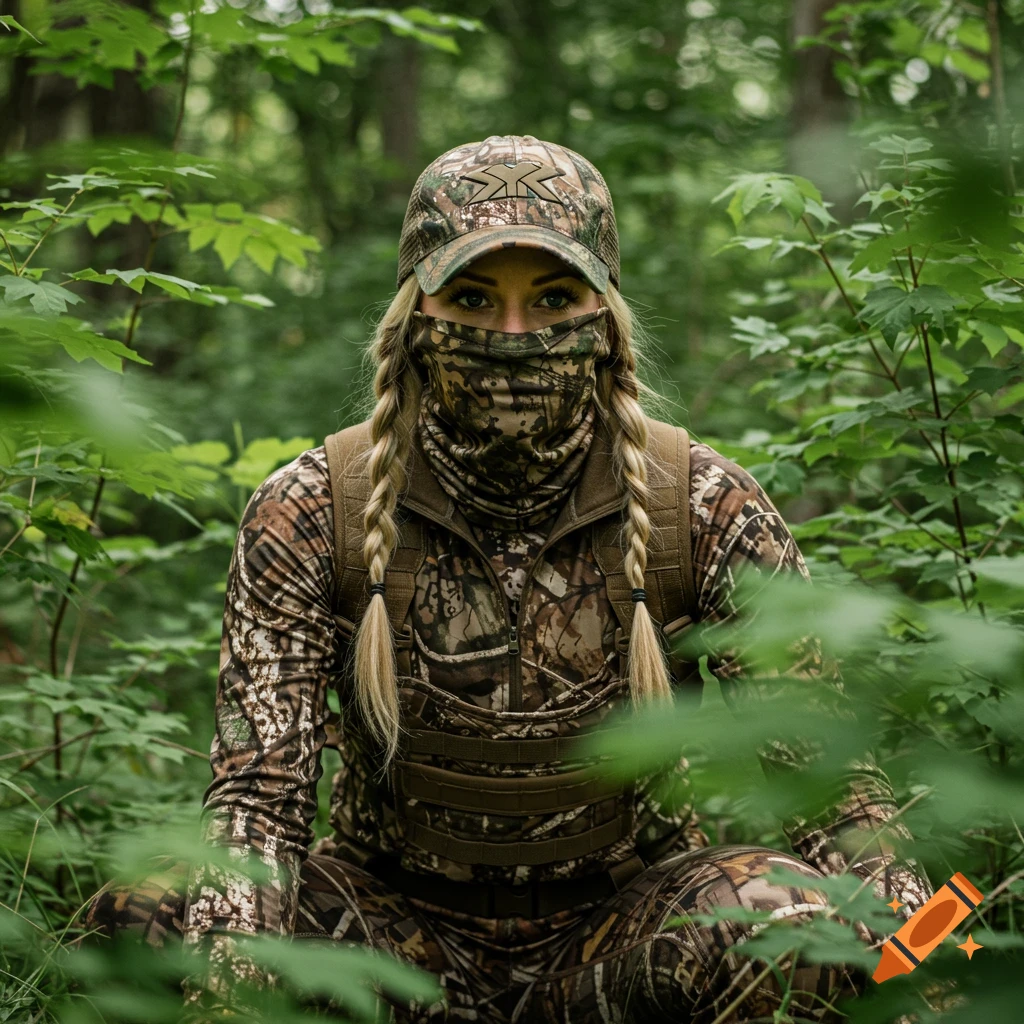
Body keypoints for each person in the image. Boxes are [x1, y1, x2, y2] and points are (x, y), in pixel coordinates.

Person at [83, 135, 933, 1023]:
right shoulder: (310, 509)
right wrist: (227, 997)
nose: (514, 335)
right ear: (417, 314)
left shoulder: (703, 504)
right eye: (475, 298)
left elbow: (840, 800)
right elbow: (258, 808)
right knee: (149, 910)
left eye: (555, 297)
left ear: (605, 321)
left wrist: (950, 975)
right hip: (385, 944)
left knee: (791, 919)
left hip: (626, 937)